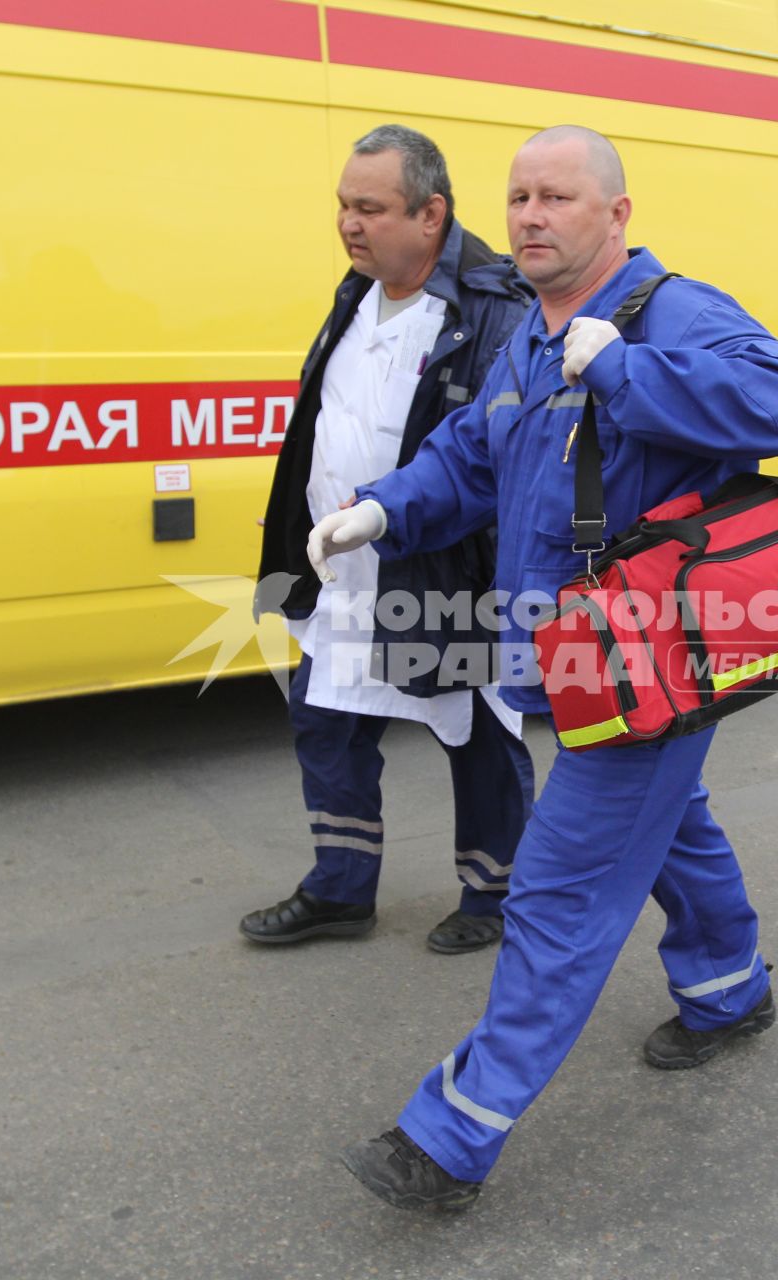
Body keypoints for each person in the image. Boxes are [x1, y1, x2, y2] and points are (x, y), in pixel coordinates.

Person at [308, 125, 778, 1211]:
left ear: (617, 214)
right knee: (675, 829)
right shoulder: (530, 341)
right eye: (521, 195)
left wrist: (627, 368)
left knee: (558, 888)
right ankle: (730, 992)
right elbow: (471, 458)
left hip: (655, 662)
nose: (533, 215)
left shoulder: (669, 311)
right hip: (573, 658)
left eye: (558, 196)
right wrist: (378, 510)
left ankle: (451, 1137)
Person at [246, 125, 535, 955]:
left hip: (446, 569)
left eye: (369, 207)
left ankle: (496, 892)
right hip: (345, 569)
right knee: (324, 720)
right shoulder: (356, 295)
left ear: (431, 213)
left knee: (476, 733)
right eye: (343, 205)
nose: (349, 222)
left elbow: (496, 457)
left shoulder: (491, 311)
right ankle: (341, 889)